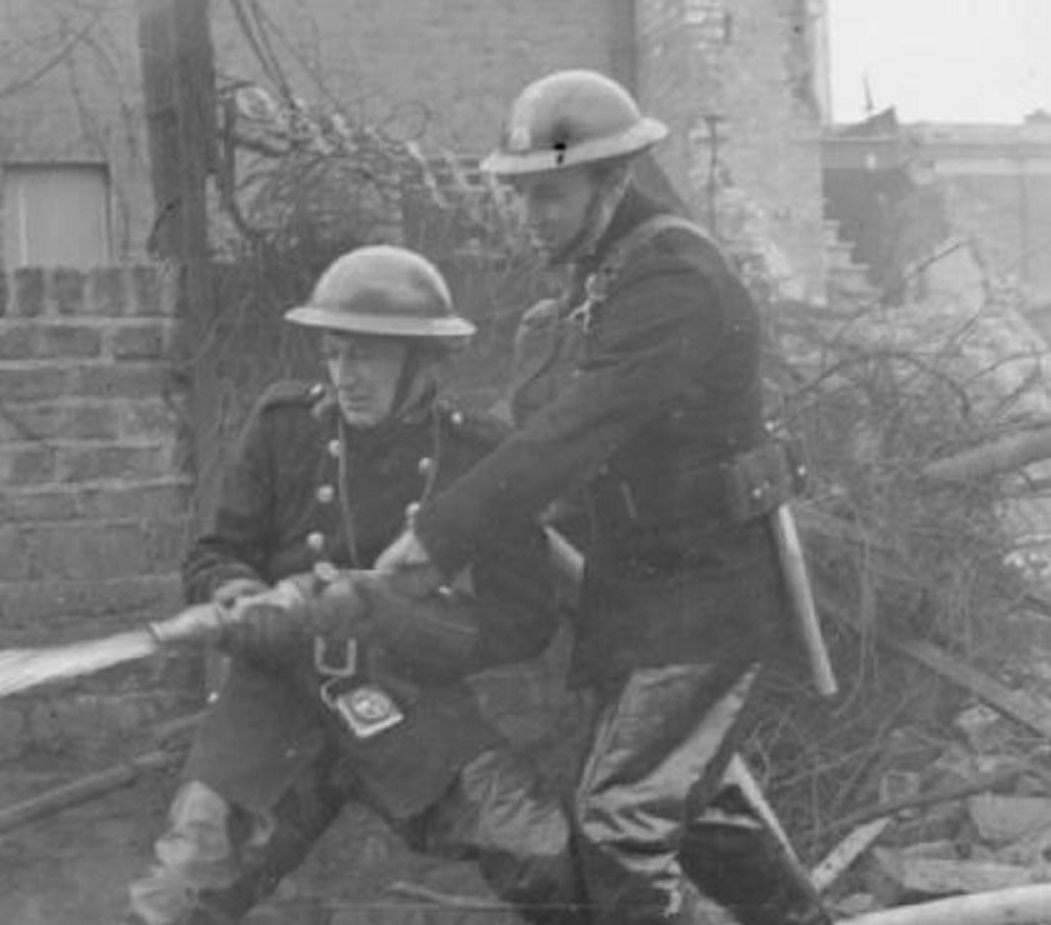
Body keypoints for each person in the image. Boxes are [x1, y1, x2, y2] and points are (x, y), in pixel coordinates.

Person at [375, 70, 833, 925]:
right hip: (646, 596)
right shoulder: (603, 278)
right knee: (708, 817)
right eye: (521, 194)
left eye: (548, 194)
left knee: (620, 826)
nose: (530, 214)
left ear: (613, 180)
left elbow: (577, 429)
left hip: (706, 598)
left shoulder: (673, 280)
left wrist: (440, 536)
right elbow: (541, 427)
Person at [124, 245, 585, 925]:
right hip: (276, 703)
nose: (346, 377)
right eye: (335, 355)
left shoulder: (478, 456)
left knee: (541, 852)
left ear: (422, 363)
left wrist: (391, 612)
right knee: (182, 889)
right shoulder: (283, 427)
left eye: (366, 357)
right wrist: (242, 598)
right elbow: (214, 555)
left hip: (407, 702)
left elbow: (521, 621)